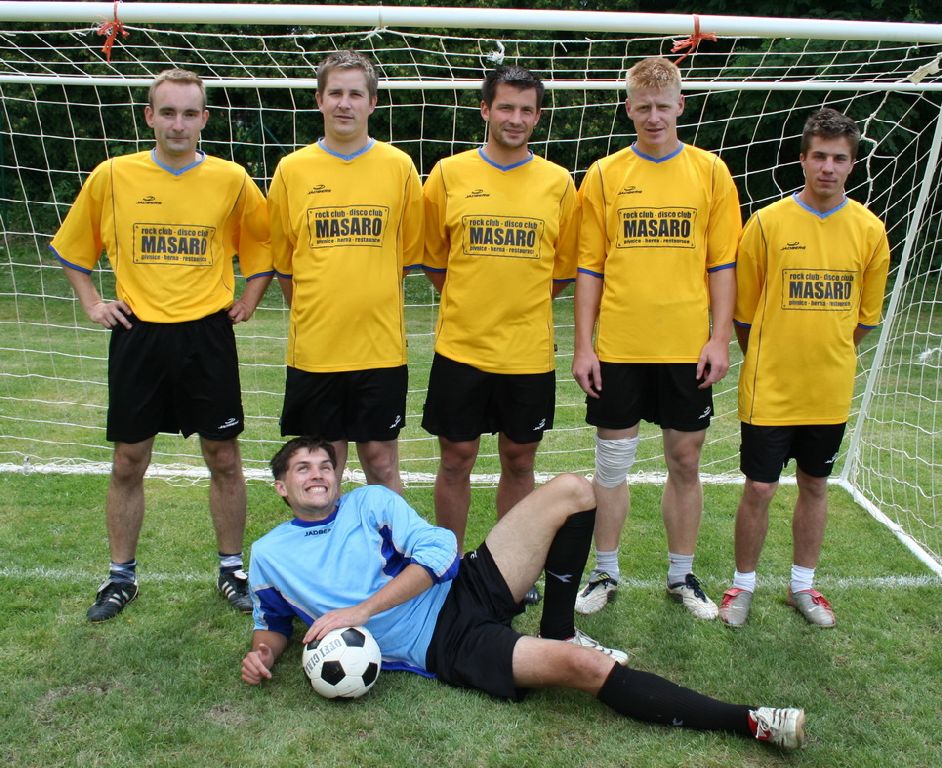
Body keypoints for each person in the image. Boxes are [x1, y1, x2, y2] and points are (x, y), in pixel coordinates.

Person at [240, 436, 806, 751]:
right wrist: (263, 654)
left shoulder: (370, 502)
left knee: (574, 490)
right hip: (446, 644)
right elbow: (273, 622)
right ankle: (750, 720)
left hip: (464, 584)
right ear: (281, 486)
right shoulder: (269, 555)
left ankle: (559, 625)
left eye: (325, 465)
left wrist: (360, 610)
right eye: (302, 469)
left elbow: (440, 554)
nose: (318, 473)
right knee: (585, 668)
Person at [49, 68, 273, 622]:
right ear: (150, 116)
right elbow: (74, 249)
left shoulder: (230, 179)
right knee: (129, 459)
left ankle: (232, 570)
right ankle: (120, 577)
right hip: (139, 334)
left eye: (189, 113)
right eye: (167, 112)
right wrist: (92, 302)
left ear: (204, 119)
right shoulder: (113, 176)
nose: (178, 123)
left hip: (206, 335)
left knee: (224, 455)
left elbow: (265, 243)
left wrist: (251, 296)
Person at [572, 57, 741, 619]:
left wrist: (719, 339)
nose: (653, 117)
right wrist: (584, 345)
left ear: (680, 107)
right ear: (628, 108)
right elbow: (590, 267)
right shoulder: (604, 174)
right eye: (642, 107)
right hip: (620, 348)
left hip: (685, 349)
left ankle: (681, 575)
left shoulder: (710, 172)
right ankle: (605, 571)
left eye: (662, 107)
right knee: (611, 466)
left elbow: (722, 265)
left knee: (685, 462)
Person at [718, 108, 890, 628]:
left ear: (852, 164)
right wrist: (772, 355)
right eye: (819, 156)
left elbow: (863, 319)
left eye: (839, 158)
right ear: (802, 160)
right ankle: (742, 586)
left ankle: (802, 587)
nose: (828, 168)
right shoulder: (767, 223)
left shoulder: (869, 229)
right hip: (770, 386)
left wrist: (826, 350)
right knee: (760, 488)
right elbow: (743, 316)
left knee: (815, 485)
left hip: (828, 389)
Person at [421, 65, 578, 605]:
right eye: (505, 107)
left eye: (526, 110)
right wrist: (474, 301)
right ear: (485, 109)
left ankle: (510, 569)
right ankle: (447, 566)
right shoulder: (448, 174)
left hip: (527, 353)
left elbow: (561, 270)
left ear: (538, 117)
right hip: (461, 348)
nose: (515, 118)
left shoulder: (558, 182)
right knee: (456, 457)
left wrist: (518, 304)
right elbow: (435, 261)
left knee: (519, 459)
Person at [268, 50, 423, 494]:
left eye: (355, 94)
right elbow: (285, 262)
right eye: (335, 92)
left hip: (379, 348)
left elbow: (406, 255)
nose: (344, 103)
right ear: (319, 99)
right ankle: (328, 541)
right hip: (316, 350)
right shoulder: (292, 170)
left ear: (372, 103)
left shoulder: (399, 167)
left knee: (381, 461)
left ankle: (388, 540)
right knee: (322, 466)